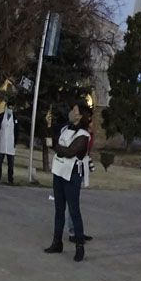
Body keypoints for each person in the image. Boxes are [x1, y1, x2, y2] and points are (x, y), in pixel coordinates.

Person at [43, 102, 92, 263]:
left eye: (74, 110)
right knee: (59, 209)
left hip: (71, 175)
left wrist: (56, 146)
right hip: (58, 172)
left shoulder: (84, 135)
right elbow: (54, 143)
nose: (71, 112)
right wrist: (49, 126)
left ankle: (79, 246)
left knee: (74, 210)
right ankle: (57, 242)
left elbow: (70, 152)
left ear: (80, 116)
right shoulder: (65, 128)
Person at [0, 105, 17, 185]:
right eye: (9, 108)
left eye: (12, 108)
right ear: (6, 108)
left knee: (11, 164)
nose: (10, 109)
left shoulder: (15, 118)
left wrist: (15, 141)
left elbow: (17, 130)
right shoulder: (1, 116)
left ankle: (10, 179)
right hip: (2, 142)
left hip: (11, 144)